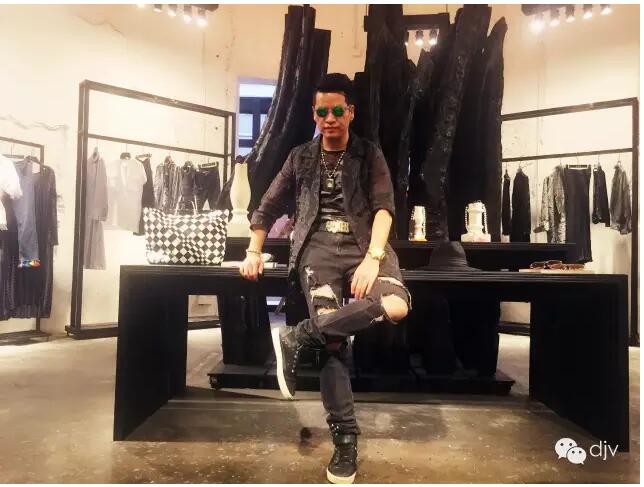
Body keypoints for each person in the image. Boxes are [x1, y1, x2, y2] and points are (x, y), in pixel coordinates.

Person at [239, 73, 411, 484]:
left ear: (350, 112)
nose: (329, 118)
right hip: (317, 250)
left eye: (337, 110)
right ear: (314, 114)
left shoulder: (368, 154)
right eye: (322, 111)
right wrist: (253, 251)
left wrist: (373, 258)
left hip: (365, 246)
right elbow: (266, 208)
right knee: (334, 342)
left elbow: (384, 208)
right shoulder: (300, 157)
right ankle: (345, 439)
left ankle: (297, 336)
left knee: (397, 307)